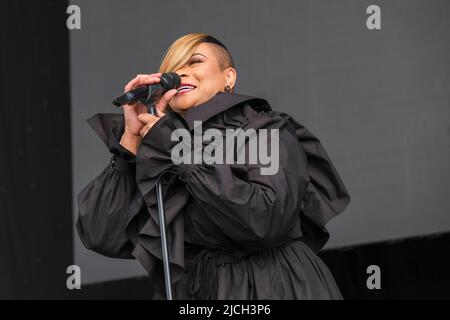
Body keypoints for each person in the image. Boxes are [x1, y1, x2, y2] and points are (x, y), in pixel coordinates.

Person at [76, 33, 351, 299]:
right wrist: (130, 143)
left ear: (228, 77)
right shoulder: (161, 147)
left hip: (272, 285)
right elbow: (101, 236)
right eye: (172, 69)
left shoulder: (265, 128)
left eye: (193, 61)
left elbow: (266, 221)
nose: (181, 72)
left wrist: (179, 152)